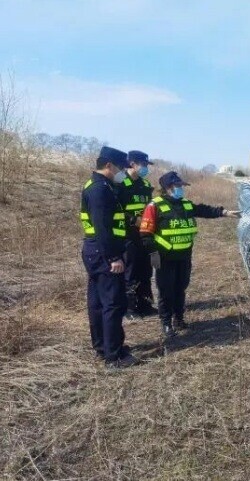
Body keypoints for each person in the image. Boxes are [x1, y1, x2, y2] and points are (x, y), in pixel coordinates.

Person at [139, 171, 241, 337]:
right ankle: (166, 324)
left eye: (182, 186)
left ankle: (179, 319)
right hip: (164, 258)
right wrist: (154, 254)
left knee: (180, 289)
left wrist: (224, 212)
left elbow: (203, 210)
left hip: (184, 257)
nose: (181, 189)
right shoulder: (154, 206)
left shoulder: (185, 204)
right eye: (178, 186)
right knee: (166, 291)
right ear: (168, 188)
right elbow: (145, 234)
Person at [80, 146, 139, 368]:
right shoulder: (100, 190)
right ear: (109, 166)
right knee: (113, 303)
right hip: (103, 251)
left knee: (97, 302)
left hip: (95, 250)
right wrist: (114, 257)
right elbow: (103, 227)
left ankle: (103, 347)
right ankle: (114, 356)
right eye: (121, 168)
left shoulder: (100, 185)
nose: (123, 172)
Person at [115, 150, 156, 321]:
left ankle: (145, 304)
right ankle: (130, 308)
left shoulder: (145, 185)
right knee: (130, 271)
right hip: (127, 234)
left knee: (145, 269)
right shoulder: (119, 183)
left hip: (144, 233)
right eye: (144, 165)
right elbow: (114, 210)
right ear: (132, 164)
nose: (146, 168)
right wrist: (133, 220)